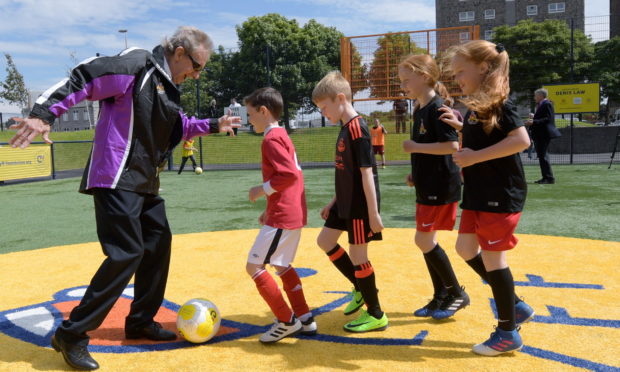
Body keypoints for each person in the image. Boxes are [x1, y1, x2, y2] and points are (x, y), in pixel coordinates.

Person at [8, 26, 240, 370]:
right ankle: (71, 334)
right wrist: (44, 114)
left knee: (158, 243)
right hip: (115, 177)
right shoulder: (138, 65)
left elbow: (178, 125)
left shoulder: (168, 88)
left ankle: (141, 321)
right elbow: (86, 75)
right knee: (127, 252)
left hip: (145, 181)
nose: (197, 74)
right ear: (178, 52)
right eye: (197, 65)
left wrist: (212, 124)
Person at [439, 40, 535, 356]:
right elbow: (479, 140)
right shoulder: (474, 107)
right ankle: (515, 305)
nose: (457, 79)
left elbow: (521, 140)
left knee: (495, 260)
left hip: (500, 193)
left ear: (482, 67)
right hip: (479, 193)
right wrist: (461, 129)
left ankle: (508, 331)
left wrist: (475, 157)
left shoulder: (499, 104)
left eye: (460, 72)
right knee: (465, 248)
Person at [312, 71, 388, 333]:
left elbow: (367, 173)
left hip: (358, 206)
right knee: (325, 241)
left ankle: (376, 313)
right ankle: (358, 287)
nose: (323, 113)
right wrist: (333, 202)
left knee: (359, 256)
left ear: (340, 98)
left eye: (324, 108)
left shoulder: (358, 128)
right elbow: (347, 172)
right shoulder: (345, 127)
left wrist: (373, 213)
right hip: (343, 203)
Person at [398, 54, 470, 320]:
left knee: (424, 240)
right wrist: (415, 172)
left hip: (441, 185)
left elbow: (452, 146)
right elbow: (431, 150)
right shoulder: (420, 109)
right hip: (428, 183)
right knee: (427, 241)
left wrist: (415, 147)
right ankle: (441, 295)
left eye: (407, 79)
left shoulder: (438, 108)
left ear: (425, 77)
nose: (402, 85)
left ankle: (455, 293)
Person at [244, 87, 316, 343]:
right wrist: (269, 208)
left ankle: (287, 321)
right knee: (281, 264)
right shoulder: (282, 134)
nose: (248, 119)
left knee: (254, 266)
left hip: (284, 214)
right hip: (289, 209)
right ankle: (305, 318)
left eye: (250, 113)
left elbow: (288, 175)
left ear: (264, 111)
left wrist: (260, 190)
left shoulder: (271, 139)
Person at [525, 88, 561, 184]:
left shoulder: (547, 104)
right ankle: (546, 177)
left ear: (541, 96)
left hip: (543, 134)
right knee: (542, 156)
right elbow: (543, 118)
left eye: (535, 95)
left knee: (543, 156)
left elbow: (548, 119)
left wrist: (534, 121)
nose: (534, 97)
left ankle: (549, 178)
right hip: (540, 134)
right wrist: (534, 117)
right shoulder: (542, 104)